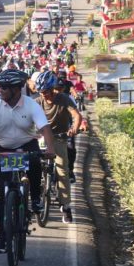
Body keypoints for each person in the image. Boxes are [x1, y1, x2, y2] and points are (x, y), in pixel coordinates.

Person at [0, 69, 56, 253]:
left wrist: (50, 149)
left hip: (27, 145)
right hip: (2, 149)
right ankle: (2, 236)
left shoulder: (31, 105)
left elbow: (44, 128)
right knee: (2, 196)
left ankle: (35, 198)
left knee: (35, 165)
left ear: (16, 89)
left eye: (4, 87)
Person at [35, 71, 81, 223]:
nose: (44, 96)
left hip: (59, 139)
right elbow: (27, 118)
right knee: (32, 166)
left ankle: (66, 206)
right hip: (41, 138)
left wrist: (74, 128)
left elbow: (76, 115)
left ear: (53, 89)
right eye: (41, 92)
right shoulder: (37, 102)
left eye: (46, 92)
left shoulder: (64, 99)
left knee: (62, 171)